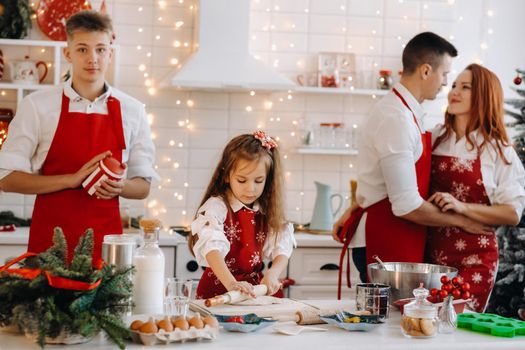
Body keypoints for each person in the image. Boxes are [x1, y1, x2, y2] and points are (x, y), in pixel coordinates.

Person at [332, 32, 489, 295]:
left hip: (401, 236)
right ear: (426, 71)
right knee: (388, 329)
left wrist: (355, 204)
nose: (445, 84)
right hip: (384, 238)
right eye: (445, 74)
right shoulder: (396, 119)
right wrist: (462, 222)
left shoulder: (408, 112)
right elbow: (406, 204)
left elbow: (380, 181)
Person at [0, 10, 158, 262]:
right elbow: (6, 178)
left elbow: (143, 186)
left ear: (111, 53)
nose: (92, 59)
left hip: (106, 251)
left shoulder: (132, 110)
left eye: (100, 49)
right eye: (82, 49)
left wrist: (120, 186)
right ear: (67, 53)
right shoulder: (37, 106)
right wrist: (71, 180)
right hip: (49, 249)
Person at [426, 64, 525, 312]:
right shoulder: (434, 138)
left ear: (483, 94)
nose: (454, 92)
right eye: (454, 85)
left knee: (457, 331)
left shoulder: (499, 150)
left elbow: (512, 213)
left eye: (465, 87)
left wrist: (461, 207)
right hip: (430, 255)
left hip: (476, 260)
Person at [189, 131, 295, 299]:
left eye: (258, 181)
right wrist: (231, 283)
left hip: (253, 290)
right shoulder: (216, 207)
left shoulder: (267, 210)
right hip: (220, 288)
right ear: (226, 176)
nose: (250, 189)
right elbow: (212, 249)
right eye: (242, 180)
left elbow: (282, 247)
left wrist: (273, 273)